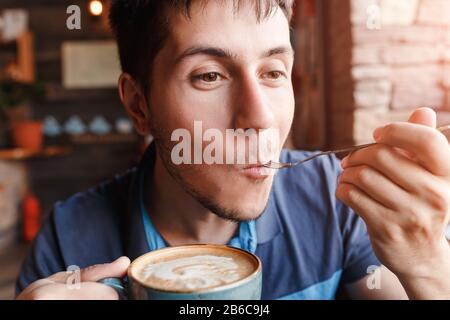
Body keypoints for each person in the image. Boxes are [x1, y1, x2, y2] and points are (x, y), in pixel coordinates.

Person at [16, 0, 450, 300]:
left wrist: (427, 263)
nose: (259, 119)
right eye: (209, 76)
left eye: (273, 72)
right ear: (139, 104)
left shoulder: (336, 197)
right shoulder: (67, 241)